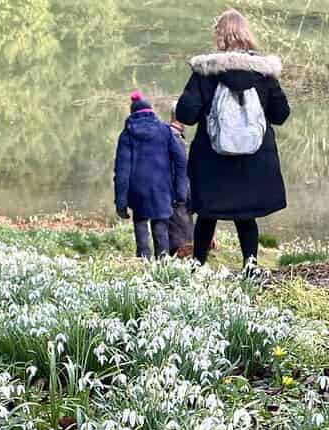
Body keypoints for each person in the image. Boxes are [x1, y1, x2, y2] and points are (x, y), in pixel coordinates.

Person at [174, 9, 290, 269]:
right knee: (246, 217)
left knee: (207, 216)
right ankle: (250, 267)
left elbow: (186, 114)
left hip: (211, 160)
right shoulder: (264, 73)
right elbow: (281, 114)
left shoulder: (205, 72)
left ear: (219, 36)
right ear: (246, 34)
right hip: (254, 160)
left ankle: (198, 266)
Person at [113, 91, 188, 258]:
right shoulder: (165, 131)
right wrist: (181, 191)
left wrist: (121, 203)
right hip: (161, 189)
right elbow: (181, 161)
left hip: (138, 191)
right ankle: (162, 265)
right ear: (151, 111)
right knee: (160, 226)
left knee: (140, 223)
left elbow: (122, 172)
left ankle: (143, 261)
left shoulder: (126, 135)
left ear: (132, 113)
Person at [167, 114, 196, 257]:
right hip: (178, 189)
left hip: (168, 189)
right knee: (182, 226)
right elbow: (180, 169)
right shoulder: (176, 137)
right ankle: (181, 254)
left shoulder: (167, 134)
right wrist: (184, 193)